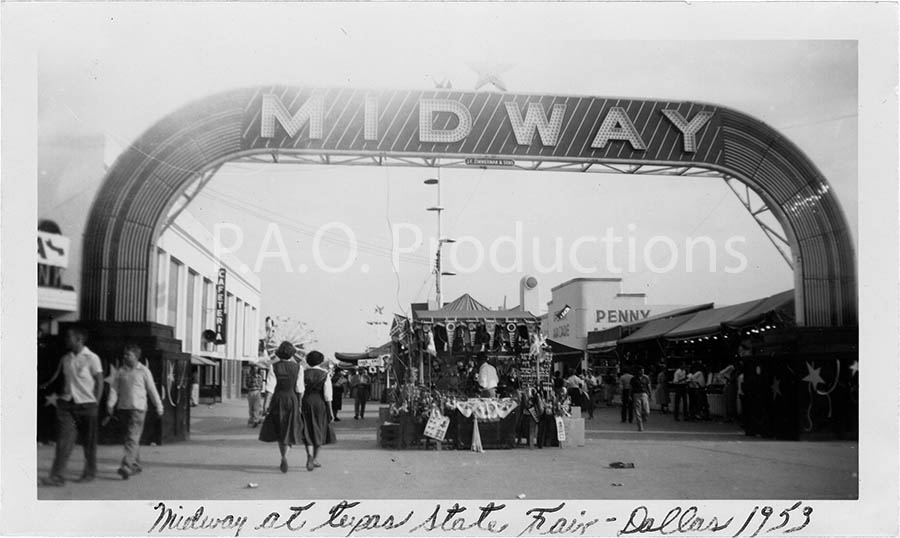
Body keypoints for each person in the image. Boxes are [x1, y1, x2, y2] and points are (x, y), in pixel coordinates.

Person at [40, 326, 104, 486]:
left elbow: (100, 381)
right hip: (67, 406)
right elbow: (55, 379)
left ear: (79, 339)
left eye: (69, 337)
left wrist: (96, 402)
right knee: (63, 442)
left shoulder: (92, 358)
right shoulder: (66, 359)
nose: (66, 340)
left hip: (87, 405)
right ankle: (57, 476)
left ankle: (89, 473)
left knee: (89, 443)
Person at [105, 343, 164, 479]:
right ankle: (135, 465)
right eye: (125, 354)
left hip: (138, 409)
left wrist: (159, 406)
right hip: (123, 408)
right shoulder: (121, 371)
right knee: (130, 438)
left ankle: (126, 465)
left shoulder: (144, 371)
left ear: (136, 356)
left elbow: (152, 390)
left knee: (132, 437)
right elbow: (114, 389)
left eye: (128, 354)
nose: (125, 357)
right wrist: (110, 404)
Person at [258, 341, 306, 473]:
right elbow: (300, 389)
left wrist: (265, 406)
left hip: (278, 399)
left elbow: (270, 389)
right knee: (290, 428)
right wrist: (300, 404)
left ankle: (283, 456)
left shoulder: (274, 367)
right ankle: (286, 455)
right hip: (292, 399)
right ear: (292, 354)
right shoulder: (298, 368)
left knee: (280, 428)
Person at [301, 351, 335, 471]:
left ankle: (309, 455)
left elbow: (300, 390)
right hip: (319, 403)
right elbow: (328, 395)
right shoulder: (325, 374)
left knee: (307, 429)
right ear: (320, 361)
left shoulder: (303, 373)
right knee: (320, 429)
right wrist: (330, 411)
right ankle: (315, 458)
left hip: (306, 402)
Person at [630, 366, 652, 432]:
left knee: (647, 410)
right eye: (641, 371)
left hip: (644, 394)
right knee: (637, 411)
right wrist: (630, 395)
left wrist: (650, 393)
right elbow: (631, 387)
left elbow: (648, 386)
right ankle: (640, 426)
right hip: (636, 394)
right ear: (638, 371)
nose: (642, 372)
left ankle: (644, 416)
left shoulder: (646, 378)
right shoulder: (633, 379)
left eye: (643, 371)